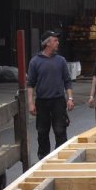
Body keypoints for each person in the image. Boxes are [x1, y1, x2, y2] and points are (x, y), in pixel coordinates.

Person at [26, 30, 75, 159]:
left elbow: (67, 81)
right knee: (42, 132)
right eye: (55, 40)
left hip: (58, 101)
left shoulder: (61, 61)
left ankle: (62, 157)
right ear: (47, 43)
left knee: (60, 130)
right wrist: (30, 103)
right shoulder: (35, 61)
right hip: (42, 102)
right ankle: (44, 158)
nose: (58, 43)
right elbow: (30, 84)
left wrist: (70, 98)